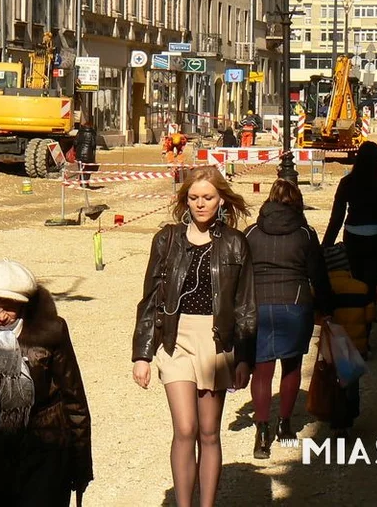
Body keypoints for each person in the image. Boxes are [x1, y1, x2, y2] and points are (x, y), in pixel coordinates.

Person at [132, 166, 256, 507]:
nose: (201, 204)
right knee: (185, 429)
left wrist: (245, 357)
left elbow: (246, 305)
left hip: (218, 342)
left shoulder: (235, 243)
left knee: (208, 432)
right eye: (194, 197)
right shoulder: (167, 240)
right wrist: (142, 354)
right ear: (185, 200)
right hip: (176, 340)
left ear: (221, 200)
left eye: (208, 197)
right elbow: (151, 299)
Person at [0, 259, 92, 506]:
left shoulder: (52, 332)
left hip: (44, 447)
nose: (1, 315)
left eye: (10, 307)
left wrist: (80, 462)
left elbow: (74, 397)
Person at [244, 179, 331, 459]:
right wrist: (327, 307)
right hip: (295, 304)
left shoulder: (252, 233)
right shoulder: (305, 234)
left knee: (262, 370)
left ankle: (261, 432)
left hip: (260, 304)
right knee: (291, 366)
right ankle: (285, 426)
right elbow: (318, 275)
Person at [322, 141, 377, 355]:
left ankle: (351, 335)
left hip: (353, 237)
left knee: (352, 286)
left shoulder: (347, 182)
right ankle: (365, 335)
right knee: (369, 289)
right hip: (376, 240)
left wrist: (326, 245)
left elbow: (336, 216)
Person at [323, 260, 375, 437]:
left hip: (332, 344)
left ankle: (337, 421)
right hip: (355, 343)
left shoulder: (323, 289)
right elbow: (370, 316)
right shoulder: (361, 287)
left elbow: (316, 317)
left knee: (334, 383)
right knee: (352, 382)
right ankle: (350, 414)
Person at [74, 115, 98, 187]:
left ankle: (81, 182)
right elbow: (93, 144)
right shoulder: (92, 133)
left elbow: (75, 142)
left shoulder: (80, 132)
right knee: (87, 169)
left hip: (79, 154)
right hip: (88, 155)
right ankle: (86, 183)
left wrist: (76, 149)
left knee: (81, 168)